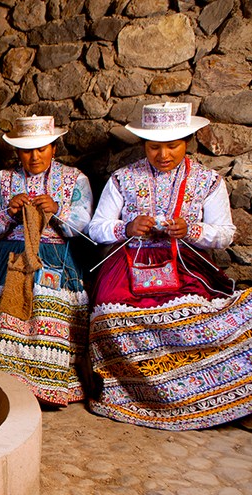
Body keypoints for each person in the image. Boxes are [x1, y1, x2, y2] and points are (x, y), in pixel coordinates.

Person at [87, 102, 252, 430]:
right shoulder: (123, 179)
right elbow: (96, 227)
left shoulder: (207, 181)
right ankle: (132, 396)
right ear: (144, 145)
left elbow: (225, 233)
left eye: (173, 146)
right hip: (128, 264)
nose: (163, 154)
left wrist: (192, 231)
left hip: (186, 265)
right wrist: (127, 227)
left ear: (187, 142)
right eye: (154, 147)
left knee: (205, 317)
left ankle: (208, 398)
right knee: (108, 315)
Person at [0, 115, 93, 406]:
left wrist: (57, 210)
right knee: (4, 307)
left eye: (41, 149)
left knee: (46, 305)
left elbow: (82, 225)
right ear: (17, 152)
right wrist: (8, 212)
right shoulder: (2, 179)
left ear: (54, 149)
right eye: (26, 151)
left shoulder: (75, 179)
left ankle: (48, 385)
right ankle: (5, 383)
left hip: (56, 258)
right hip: (10, 256)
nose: (34, 157)